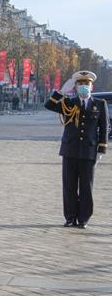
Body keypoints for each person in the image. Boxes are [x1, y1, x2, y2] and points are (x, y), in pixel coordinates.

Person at [44, 70, 107, 229]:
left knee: (86, 186)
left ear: (92, 87)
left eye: (87, 84)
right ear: (75, 86)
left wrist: (101, 150)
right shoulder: (69, 102)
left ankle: (83, 218)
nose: (83, 86)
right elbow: (49, 105)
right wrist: (61, 92)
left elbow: (104, 128)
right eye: (80, 84)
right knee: (69, 186)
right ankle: (70, 217)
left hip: (88, 151)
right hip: (70, 150)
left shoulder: (99, 104)